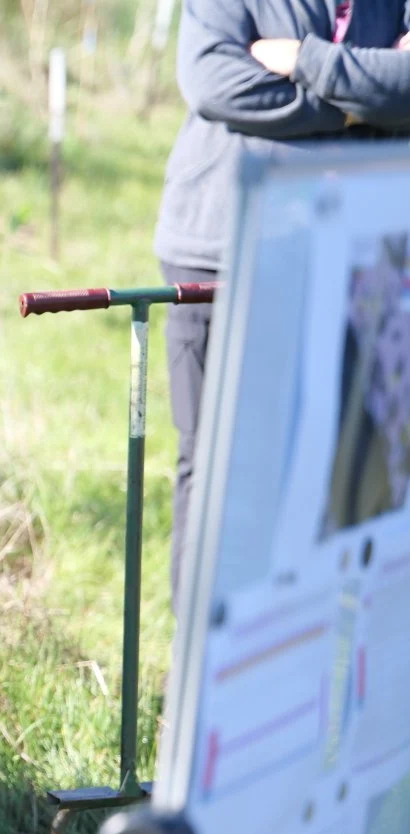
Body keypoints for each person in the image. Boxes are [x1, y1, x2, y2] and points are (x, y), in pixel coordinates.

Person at [156, 0, 410, 599]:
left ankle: (304, 637)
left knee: (330, 467)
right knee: (218, 461)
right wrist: (358, 105)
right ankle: (204, 638)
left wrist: (304, 61)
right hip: (222, 249)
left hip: (353, 254)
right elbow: (213, 81)